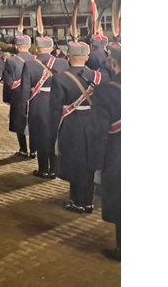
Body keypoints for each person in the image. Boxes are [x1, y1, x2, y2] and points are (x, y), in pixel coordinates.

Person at [54, 41, 110, 213]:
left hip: (73, 123)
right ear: (87, 57)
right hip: (95, 123)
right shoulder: (100, 77)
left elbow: (55, 108)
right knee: (91, 162)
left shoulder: (60, 78)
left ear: (69, 57)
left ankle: (77, 201)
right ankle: (89, 201)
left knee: (75, 161)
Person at [28, 36, 69, 177]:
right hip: (58, 103)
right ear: (51, 48)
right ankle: (55, 169)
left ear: (37, 48)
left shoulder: (30, 64)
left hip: (38, 104)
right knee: (55, 136)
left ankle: (43, 169)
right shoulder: (63, 63)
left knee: (41, 137)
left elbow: (25, 90)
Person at [99, 44, 121, 261]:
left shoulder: (108, 90)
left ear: (114, 63)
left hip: (118, 153)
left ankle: (121, 248)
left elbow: (99, 130)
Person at [4, 35, 35, 158]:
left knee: (19, 122)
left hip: (17, 94)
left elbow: (8, 82)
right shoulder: (35, 59)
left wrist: (7, 98)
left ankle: (23, 149)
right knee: (33, 123)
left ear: (16, 46)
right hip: (33, 95)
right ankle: (34, 150)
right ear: (29, 46)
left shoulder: (11, 61)